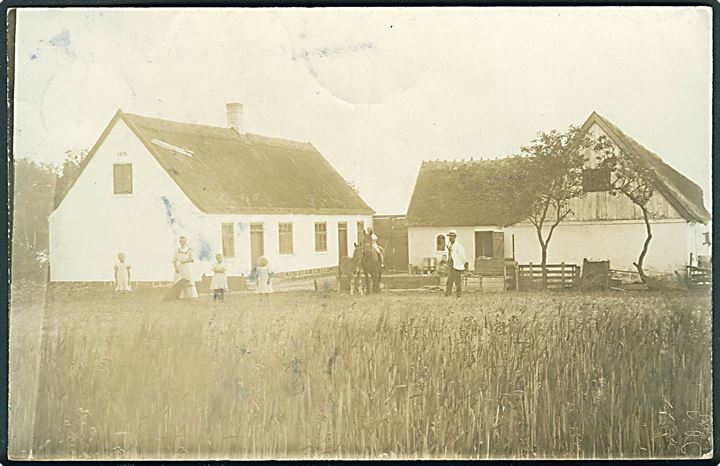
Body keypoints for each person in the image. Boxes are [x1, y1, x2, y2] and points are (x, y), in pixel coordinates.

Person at [445, 230, 468, 297]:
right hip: (450, 264)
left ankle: (458, 295)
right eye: (449, 236)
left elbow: (462, 256)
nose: (450, 238)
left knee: (457, 281)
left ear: (455, 237)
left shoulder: (458, 246)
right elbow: (450, 254)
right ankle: (447, 294)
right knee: (449, 280)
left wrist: (462, 264)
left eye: (452, 236)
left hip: (457, 265)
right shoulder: (449, 245)